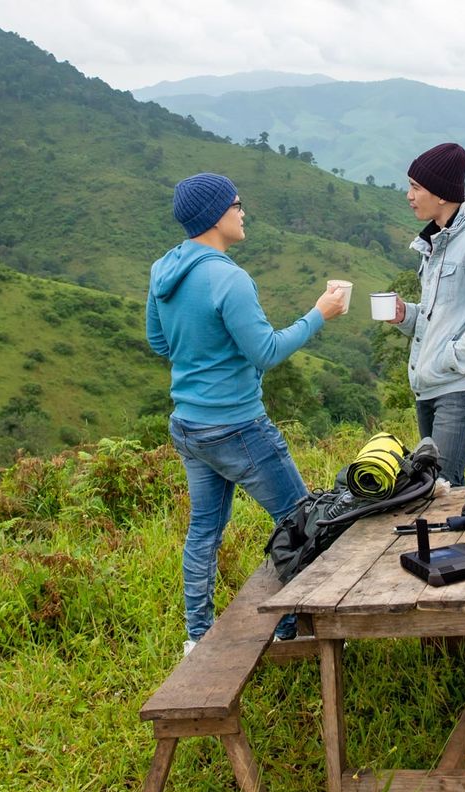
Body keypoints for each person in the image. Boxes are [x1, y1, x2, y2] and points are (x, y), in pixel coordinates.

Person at [146, 172, 347, 656]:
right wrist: (319, 313)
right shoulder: (228, 278)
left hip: (190, 426)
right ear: (218, 215)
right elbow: (266, 352)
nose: (242, 212)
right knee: (304, 521)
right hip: (238, 426)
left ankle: (197, 635)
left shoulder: (163, 270)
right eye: (236, 205)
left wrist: (202, 351)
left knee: (203, 532)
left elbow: (158, 342)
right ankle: (291, 627)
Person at [383, 142, 465, 486]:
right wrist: (404, 316)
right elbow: (440, 316)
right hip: (429, 386)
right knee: (430, 486)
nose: (409, 195)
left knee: (439, 485)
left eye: (415, 187)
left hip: (460, 384)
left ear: (440, 195)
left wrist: (452, 360)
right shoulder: (438, 241)